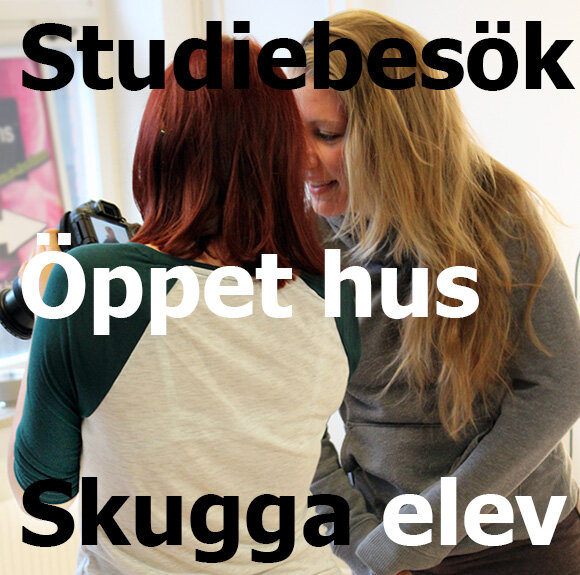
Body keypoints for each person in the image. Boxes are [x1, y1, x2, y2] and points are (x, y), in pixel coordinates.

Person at [8, 38, 359, 575]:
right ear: (283, 152)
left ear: (159, 148)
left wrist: (49, 306)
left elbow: (41, 491)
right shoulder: (334, 294)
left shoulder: (92, 280)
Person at [294, 9, 580, 575]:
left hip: (524, 542)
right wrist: (361, 540)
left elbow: (558, 384)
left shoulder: (496, 210)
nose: (300, 158)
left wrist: (420, 535)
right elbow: (291, 409)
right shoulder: (303, 237)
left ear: (395, 138)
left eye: (326, 134)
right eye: (292, 131)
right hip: (380, 541)